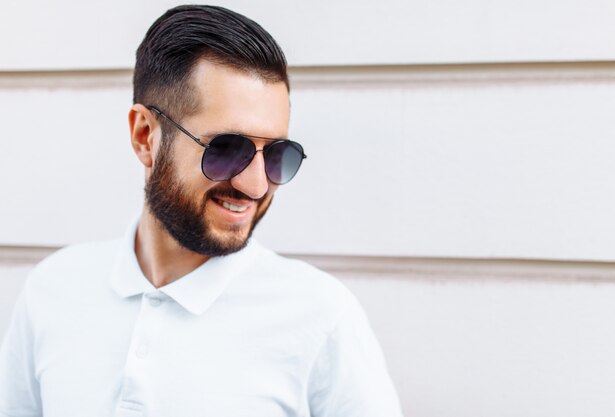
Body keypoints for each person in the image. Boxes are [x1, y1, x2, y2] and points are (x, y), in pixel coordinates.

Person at [0, 5, 404, 416]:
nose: (257, 184)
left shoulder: (320, 316)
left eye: (278, 154)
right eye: (228, 149)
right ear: (144, 137)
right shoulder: (53, 290)